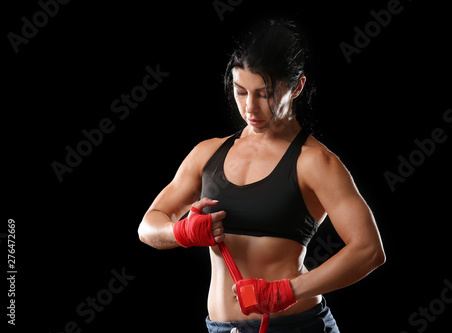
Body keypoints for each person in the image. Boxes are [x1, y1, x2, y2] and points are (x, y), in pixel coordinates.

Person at [138, 19, 385, 333]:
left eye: (265, 94)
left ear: (296, 87)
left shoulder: (316, 162)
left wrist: (284, 293)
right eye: (241, 92)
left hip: (295, 326)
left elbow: (369, 250)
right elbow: (148, 226)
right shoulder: (208, 153)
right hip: (220, 328)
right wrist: (182, 233)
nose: (250, 107)